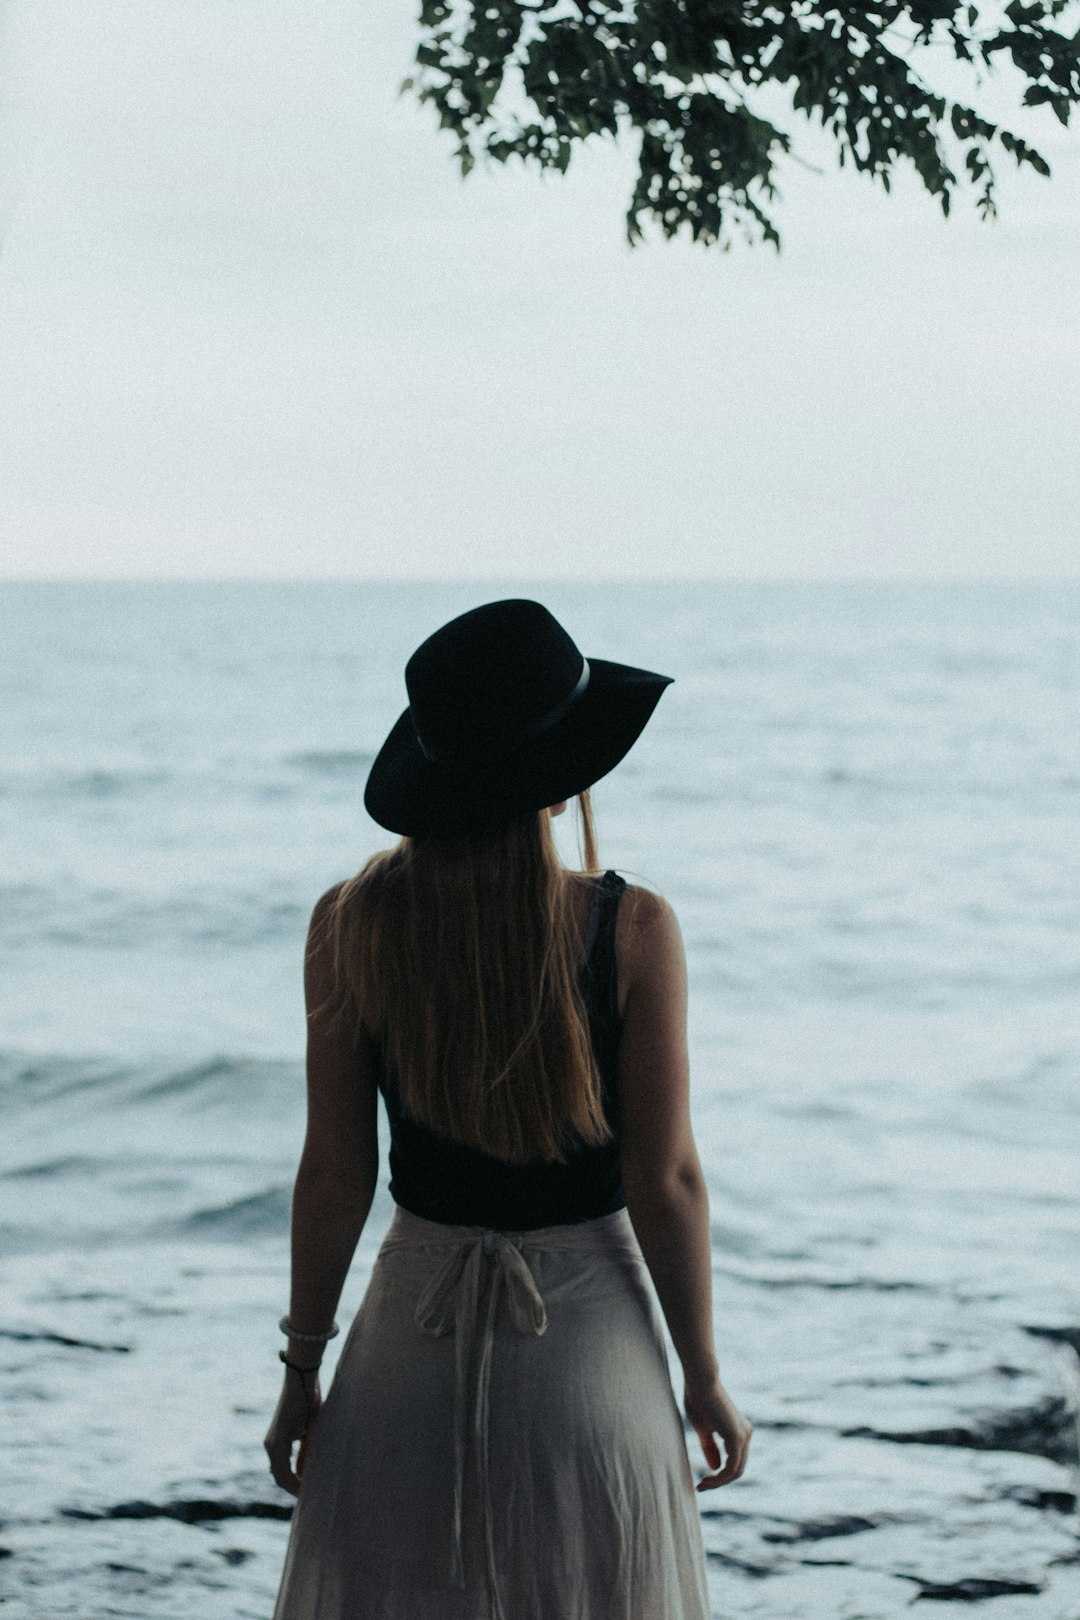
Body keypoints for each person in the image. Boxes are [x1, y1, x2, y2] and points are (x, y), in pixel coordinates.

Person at [265, 598, 751, 1620]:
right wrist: (702, 1374)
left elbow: (334, 1173)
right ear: (566, 775)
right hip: (588, 1367)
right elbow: (667, 1183)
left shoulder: (348, 924)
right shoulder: (633, 928)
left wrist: (302, 1371)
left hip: (405, 1361)